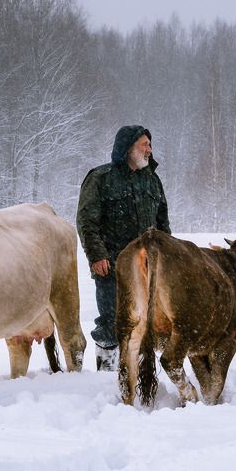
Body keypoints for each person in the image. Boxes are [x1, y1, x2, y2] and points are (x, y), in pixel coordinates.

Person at [77, 125, 171, 370]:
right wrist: (97, 255)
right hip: (112, 265)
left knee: (146, 320)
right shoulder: (100, 178)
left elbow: (163, 223)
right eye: (144, 144)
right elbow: (87, 221)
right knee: (111, 321)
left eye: (150, 144)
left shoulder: (152, 180)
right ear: (128, 147)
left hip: (148, 266)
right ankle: (106, 371)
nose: (149, 150)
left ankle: (138, 370)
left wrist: (168, 256)